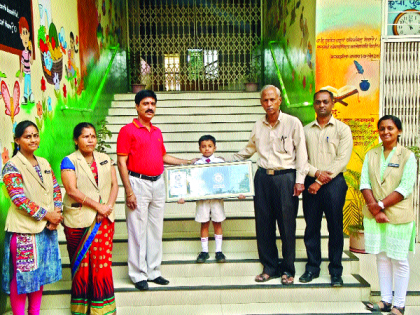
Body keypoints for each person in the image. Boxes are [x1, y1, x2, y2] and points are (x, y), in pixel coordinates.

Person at [117, 89, 192, 291]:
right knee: (137, 230)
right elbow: (121, 163)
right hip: (138, 183)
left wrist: (186, 162)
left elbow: (163, 157)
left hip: (158, 183)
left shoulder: (157, 131)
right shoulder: (127, 131)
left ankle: (154, 271)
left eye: (153, 103)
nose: (150, 107)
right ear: (137, 106)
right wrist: (129, 191)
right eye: (145, 103)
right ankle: (137, 274)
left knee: (155, 229)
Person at [232, 85, 308, 285]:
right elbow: (249, 149)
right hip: (263, 178)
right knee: (264, 225)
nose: (269, 104)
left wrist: (300, 180)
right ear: (261, 103)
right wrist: (225, 161)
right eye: (265, 100)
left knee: (286, 225)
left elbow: (302, 153)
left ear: (280, 100)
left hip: (286, 178)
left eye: (273, 99)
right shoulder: (258, 125)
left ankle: (288, 269)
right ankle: (269, 267)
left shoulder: (293, 123)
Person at [1, 120, 63, 315]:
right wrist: (48, 215)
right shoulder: (11, 166)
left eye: (35, 135)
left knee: (39, 276)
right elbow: (18, 198)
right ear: (17, 140)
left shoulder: (43, 162)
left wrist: (57, 214)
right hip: (23, 232)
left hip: (44, 230)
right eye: (28, 136)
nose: (33, 139)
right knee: (22, 279)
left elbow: (55, 189)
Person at [60, 122, 118, 315]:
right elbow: (71, 191)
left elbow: (114, 185)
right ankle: (81, 308)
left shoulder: (104, 158)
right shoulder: (69, 161)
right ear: (76, 141)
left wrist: (107, 207)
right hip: (80, 219)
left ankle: (102, 309)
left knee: (102, 266)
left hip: (104, 220)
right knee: (82, 266)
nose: (91, 139)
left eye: (93, 136)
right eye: (85, 136)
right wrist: (98, 206)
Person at [362, 115, 417, 315]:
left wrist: (380, 205)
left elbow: (405, 188)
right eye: (382, 128)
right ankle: (385, 300)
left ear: (399, 131)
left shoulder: (408, 156)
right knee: (383, 257)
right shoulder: (372, 154)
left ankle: (399, 305)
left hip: (398, 215)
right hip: (375, 215)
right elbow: (364, 183)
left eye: (390, 128)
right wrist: (374, 208)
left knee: (399, 259)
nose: (386, 132)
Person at [299, 90, 353, 286]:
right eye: (318, 102)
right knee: (311, 228)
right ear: (313, 105)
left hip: (334, 184)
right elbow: (301, 160)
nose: (322, 105)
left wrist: (320, 181)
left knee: (335, 228)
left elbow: (341, 160)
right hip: (311, 183)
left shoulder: (343, 130)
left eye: (325, 102)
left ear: (332, 104)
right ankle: (312, 268)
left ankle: (336, 271)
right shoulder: (305, 131)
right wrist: (315, 174)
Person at [178, 135, 227, 263]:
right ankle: (204, 251)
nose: (207, 149)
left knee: (217, 222)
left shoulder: (221, 162)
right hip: (202, 199)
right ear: (199, 148)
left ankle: (218, 251)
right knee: (204, 223)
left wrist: (238, 192)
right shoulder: (196, 165)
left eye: (210, 146)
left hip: (217, 199)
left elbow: (228, 181)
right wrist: (182, 195)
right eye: (204, 146)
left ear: (215, 148)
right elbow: (190, 182)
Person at [19, 17, 34, 104]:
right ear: (21, 36)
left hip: (29, 72)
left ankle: (30, 94)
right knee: (26, 84)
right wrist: (21, 72)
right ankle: (25, 95)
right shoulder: (23, 53)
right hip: (26, 72)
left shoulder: (28, 53)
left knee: (29, 83)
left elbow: (31, 61)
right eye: (23, 33)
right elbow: (22, 63)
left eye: (26, 33)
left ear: (28, 34)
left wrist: (31, 50)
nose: (25, 36)